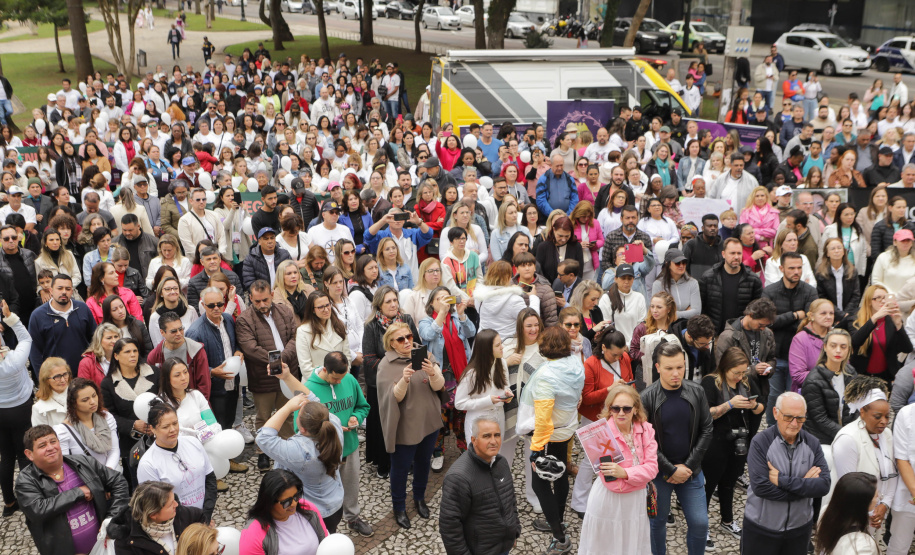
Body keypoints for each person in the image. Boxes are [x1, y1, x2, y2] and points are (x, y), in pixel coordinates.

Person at [639, 341, 712, 555]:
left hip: (691, 471)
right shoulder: (647, 397)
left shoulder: (696, 391)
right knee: (656, 522)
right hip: (659, 473)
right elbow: (644, 441)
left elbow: (707, 429)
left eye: (680, 367)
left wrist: (687, 467)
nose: (676, 373)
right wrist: (671, 469)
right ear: (658, 367)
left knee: (700, 523)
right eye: (669, 368)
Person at [256, 364, 346, 534]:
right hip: (334, 505)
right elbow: (313, 399)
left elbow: (263, 437)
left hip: (313, 514)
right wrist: (287, 376)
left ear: (302, 429)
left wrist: (288, 407)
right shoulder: (332, 423)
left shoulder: (301, 452)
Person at [15, 425, 130, 555]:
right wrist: (78, 492)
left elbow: (119, 482)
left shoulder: (83, 462)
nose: (50, 448)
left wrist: (111, 521)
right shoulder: (25, 481)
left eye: (53, 442)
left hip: (102, 548)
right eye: (42, 446)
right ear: (29, 454)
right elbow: (37, 510)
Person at [520, 326, 585, 554]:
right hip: (566, 429)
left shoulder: (548, 374)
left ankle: (559, 537)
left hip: (550, 433)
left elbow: (543, 418)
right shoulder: (576, 364)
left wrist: (536, 451)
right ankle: (557, 519)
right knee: (560, 474)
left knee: (540, 482)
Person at [742, 392, 831, 555]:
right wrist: (804, 487)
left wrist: (782, 480)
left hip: (798, 531)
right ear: (775, 413)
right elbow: (761, 488)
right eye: (788, 417)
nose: (794, 423)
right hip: (761, 529)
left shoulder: (812, 443)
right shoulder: (760, 443)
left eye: (800, 418)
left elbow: (824, 486)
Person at [376, 320, 445, 529]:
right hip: (405, 426)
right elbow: (392, 400)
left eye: (409, 337)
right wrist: (404, 380)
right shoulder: (386, 365)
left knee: (424, 462)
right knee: (401, 468)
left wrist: (433, 372)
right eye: (401, 339)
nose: (407, 341)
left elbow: (439, 386)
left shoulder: (424, 355)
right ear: (392, 343)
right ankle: (399, 507)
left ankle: (419, 498)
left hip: (428, 422)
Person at [577, 383, 658, 554]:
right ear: (610, 409)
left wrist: (625, 473)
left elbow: (653, 468)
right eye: (616, 408)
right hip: (609, 499)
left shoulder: (646, 430)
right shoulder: (598, 434)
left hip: (635, 501)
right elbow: (610, 481)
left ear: (636, 409)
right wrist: (638, 477)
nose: (621, 413)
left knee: (631, 543)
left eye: (627, 409)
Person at [302, 351, 373, 537]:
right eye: (335, 378)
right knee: (322, 491)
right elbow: (299, 425)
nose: (339, 382)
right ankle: (322, 526)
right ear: (325, 370)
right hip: (323, 452)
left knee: (351, 485)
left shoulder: (349, 379)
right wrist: (331, 429)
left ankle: (353, 518)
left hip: (349, 446)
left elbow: (363, 406)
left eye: (343, 377)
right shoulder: (308, 389)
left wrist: (355, 418)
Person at [701, 347, 765, 549]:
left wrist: (752, 406)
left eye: (743, 372)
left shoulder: (746, 381)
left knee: (729, 483)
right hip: (715, 441)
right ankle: (702, 528)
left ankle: (727, 521)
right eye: (736, 372)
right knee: (708, 485)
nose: (740, 376)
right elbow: (706, 414)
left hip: (739, 440)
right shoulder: (710, 382)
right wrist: (730, 404)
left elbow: (761, 406)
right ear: (725, 368)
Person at [236, 281, 301, 471]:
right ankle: (262, 452)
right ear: (250, 298)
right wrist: (276, 361)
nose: (262, 304)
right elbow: (250, 348)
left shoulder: (285, 311)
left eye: (265, 299)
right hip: (262, 377)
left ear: (272, 294)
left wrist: (282, 359)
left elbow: (294, 338)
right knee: (263, 416)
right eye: (257, 301)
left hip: (288, 371)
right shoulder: (245, 319)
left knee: (288, 413)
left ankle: (288, 448)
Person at [569, 329, 634, 515]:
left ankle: (608, 497)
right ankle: (579, 502)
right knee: (593, 461)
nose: (618, 358)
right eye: (614, 354)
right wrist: (610, 389)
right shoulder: (591, 364)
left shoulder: (624, 358)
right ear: (603, 347)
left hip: (618, 416)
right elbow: (587, 398)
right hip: (595, 418)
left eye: (621, 354)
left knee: (619, 457)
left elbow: (630, 382)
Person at [439, 415, 521, 555]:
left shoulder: (501, 463)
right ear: (474, 440)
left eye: (497, 435)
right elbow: (450, 526)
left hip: (503, 548)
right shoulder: (459, 477)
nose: (493, 441)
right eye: (486, 436)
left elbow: (510, 500)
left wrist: (514, 531)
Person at [361, 286, 420, 480]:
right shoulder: (371, 326)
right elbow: (368, 358)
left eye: (395, 300)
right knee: (383, 424)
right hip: (381, 385)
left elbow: (417, 347)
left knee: (405, 422)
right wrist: (392, 368)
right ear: (379, 305)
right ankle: (383, 462)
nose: (393, 304)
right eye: (388, 301)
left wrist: (415, 371)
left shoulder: (407, 320)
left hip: (407, 380)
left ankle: (409, 459)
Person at [136, 401, 217, 519]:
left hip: (203, 518)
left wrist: (206, 516)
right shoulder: (148, 464)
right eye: (165, 427)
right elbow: (156, 506)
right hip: (177, 525)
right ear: (153, 429)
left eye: (175, 423)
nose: (173, 429)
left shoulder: (193, 442)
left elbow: (210, 479)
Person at [185, 286, 242, 437]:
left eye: (220, 304)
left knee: (229, 422)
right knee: (216, 427)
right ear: (203, 306)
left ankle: (228, 456)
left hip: (233, 383)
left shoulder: (228, 319)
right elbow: (190, 365)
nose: (216, 308)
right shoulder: (195, 332)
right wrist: (212, 372)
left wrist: (238, 351)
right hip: (214, 390)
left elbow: (234, 343)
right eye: (211, 305)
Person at [100, 337, 160, 477]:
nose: (132, 355)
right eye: (127, 352)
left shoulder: (153, 373)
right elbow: (110, 415)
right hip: (130, 443)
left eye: (135, 351)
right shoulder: (108, 383)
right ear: (116, 356)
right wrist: (132, 425)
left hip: (156, 434)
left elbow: (163, 400)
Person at [238, 470, 328, 555]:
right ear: (269, 502)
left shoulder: (308, 509)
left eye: (296, 496)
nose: (294, 504)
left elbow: (326, 543)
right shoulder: (253, 534)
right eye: (286, 502)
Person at [107, 480, 209, 555]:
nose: (176, 505)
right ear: (153, 514)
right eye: (170, 505)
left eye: (174, 500)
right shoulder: (127, 543)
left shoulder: (181, 514)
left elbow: (201, 517)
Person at [29, 274, 97, 380]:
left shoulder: (82, 308)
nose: (64, 292)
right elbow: (35, 351)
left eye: (68, 289)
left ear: (72, 291)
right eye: (59, 288)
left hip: (83, 372)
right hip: (56, 376)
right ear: (51, 291)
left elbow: (95, 339)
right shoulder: (38, 315)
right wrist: (42, 379)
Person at [0, 301, 31, 516]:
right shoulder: (13, 360)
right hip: (20, 407)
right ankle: (30, 499)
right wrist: (10, 318)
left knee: (6, 456)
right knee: (23, 453)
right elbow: (26, 337)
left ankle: (9, 503)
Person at [53, 377, 120, 469]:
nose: (92, 402)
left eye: (94, 395)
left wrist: (108, 472)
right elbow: (65, 465)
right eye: (85, 400)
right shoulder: (63, 430)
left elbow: (114, 450)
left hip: (111, 475)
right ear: (74, 403)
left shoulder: (106, 417)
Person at [700, 238, 763, 334]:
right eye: (732, 253)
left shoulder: (753, 280)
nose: (736, 257)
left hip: (742, 335)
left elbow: (757, 310)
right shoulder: (708, 277)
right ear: (723, 254)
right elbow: (702, 308)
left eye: (739, 253)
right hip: (715, 333)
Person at [851, 284, 911, 383]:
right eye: (878, 298)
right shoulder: (856, 319)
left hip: (885, 378)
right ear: (869, 302)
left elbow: (907, 348)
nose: (883, 301)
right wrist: (874, 318)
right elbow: (854, 342)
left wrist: (899, 324)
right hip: (860, 376)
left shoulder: (891, 320)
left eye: (885, 298)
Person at [815, 472, 882, 555]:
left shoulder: (826, 512)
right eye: (876, 496)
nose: (879, 497)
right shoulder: (863, 547)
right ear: (863, 503)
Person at [296, 290, 350, 381]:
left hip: (339, 382)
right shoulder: (303, 331)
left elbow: (347, 358)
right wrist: (326, 381)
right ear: (313, 310)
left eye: (327, 305)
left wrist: (339, 378)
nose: (326, 310)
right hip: (315, 385)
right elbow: (305, 368)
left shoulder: (339, 326)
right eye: (320, 307)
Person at [598, 263, 647, 344]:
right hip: (613, 345)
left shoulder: (639, 297)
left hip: (635, 346)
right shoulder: (606, 298)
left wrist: (630, 345)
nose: (626, 282)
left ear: (633, 279)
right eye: (623, 278)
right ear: (615, 279)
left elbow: (641, 325)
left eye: (629, 278)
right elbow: (605, 325)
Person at [652, 249, 702, 319]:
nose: (681, 265)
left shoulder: (693, 283)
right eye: (677, 263)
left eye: (684, 262)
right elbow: (657, 312)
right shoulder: (658, 284)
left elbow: (697, 312)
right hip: (666, 327)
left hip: (687, 326)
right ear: (668, 264)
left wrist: (672, 313)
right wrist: (687, 312)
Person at [32, 357, 72, 426]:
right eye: (57, 377)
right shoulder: (39, 409)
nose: (63, 380)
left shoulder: (79, 394)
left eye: (65, 374)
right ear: (46, 380)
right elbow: (42, 435)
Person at [683, 214, 723, 280]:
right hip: (695, 286)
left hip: (716, 288)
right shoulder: (691, 245)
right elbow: (684, 268)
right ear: (703, 228)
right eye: (709, 226)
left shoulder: (724, 246)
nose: (713, 228)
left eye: (715, 226)